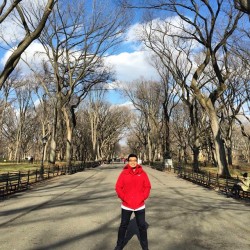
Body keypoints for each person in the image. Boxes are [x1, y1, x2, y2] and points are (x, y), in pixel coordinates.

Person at [114, 153, 151, 250]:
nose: (133, 162)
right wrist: (124, 197)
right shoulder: (124, 173)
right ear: (128, 161)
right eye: (131, 161)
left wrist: (142, 197)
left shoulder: (142, 173)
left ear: (137, 161)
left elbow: (147, 186)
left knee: (142, 227)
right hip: (126, 205)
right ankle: (119, 245)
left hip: (139, 205)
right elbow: (118, 187)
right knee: (123, 226)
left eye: (134, 160)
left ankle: (145, 246)